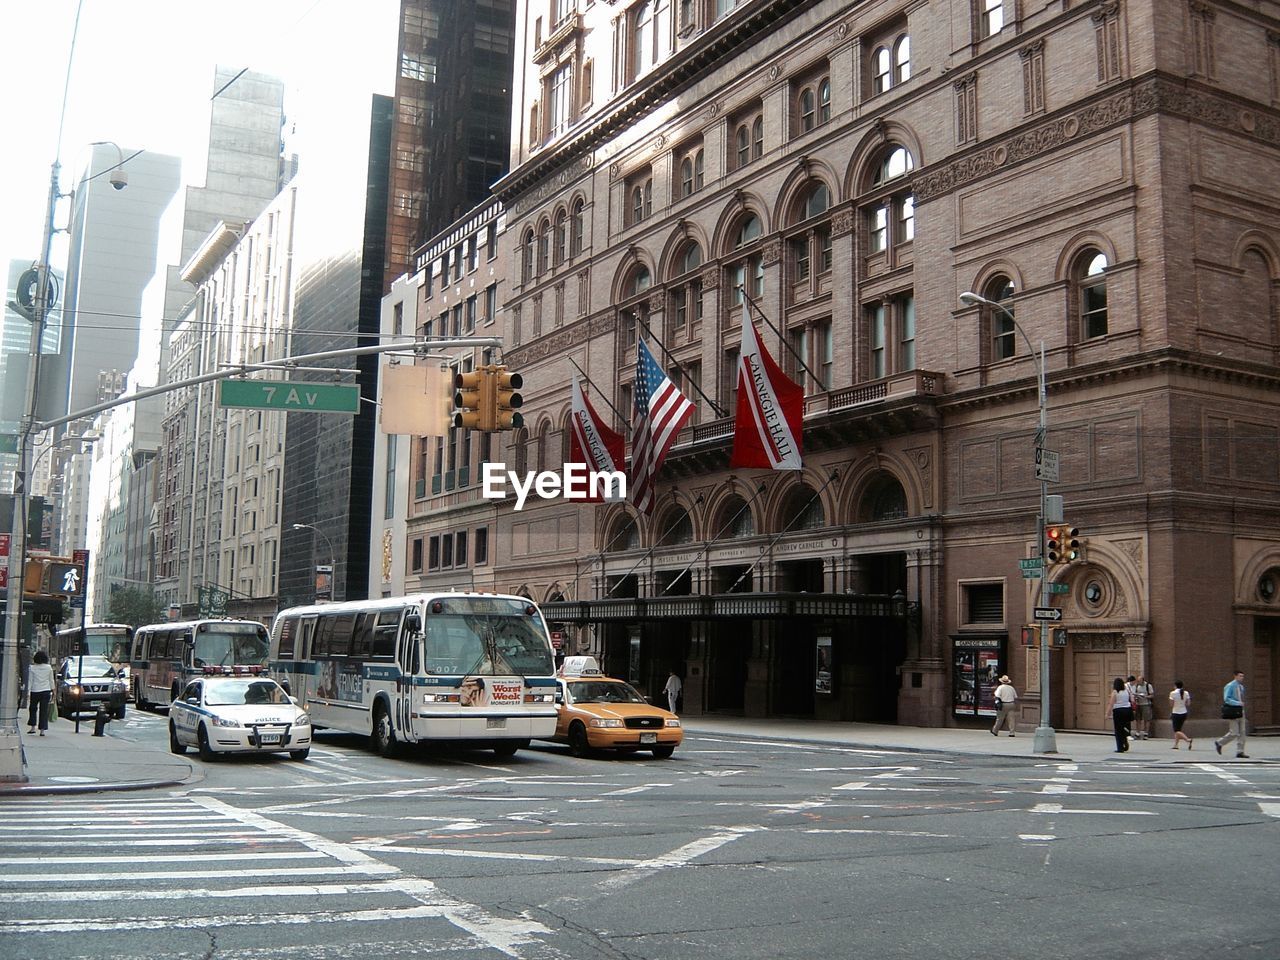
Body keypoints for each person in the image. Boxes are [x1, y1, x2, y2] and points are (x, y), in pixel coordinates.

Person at [1214, 670, 1248, 758]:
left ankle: (1240, 751)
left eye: (1242, 676)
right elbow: (1227, 699)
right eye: (1240, 676)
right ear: (1235, 676)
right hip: (1233, 710)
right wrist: (1237, 703)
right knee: (1234, 732)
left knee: (1242, 732)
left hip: (1241, 711)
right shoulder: (1230, 686)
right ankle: (1220, 742)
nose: (1242, 678)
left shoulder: (1241, 687)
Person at [26, 650, 55, 736]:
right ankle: (42, 730)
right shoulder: (49, 668)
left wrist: (28, 692)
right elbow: (51, 680)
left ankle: (32, 727)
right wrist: (53, 690)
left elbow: (30, 681)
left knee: (33, 709)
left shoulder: (32, 668)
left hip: (35, 690)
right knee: (44, 710)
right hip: (46, 690)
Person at [1105, 677, 1133, 752]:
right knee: (1124, 727)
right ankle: (1125, 739)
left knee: (1118, 730)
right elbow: (1132, 699)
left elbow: (1111, 704)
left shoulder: (1115, 692)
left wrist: (1107, 714)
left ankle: (1120, 747)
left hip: (1118, 711)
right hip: (1127, 710)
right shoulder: (1127, 690)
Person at [1169, 680, 1192, 750]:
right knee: (1179, 729)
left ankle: (1188, 740)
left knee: (1176, 730)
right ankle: (1176, 745)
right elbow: (1188, 703)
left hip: (1176, 712)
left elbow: (1171, 704)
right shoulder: (1186, 693)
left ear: (1175, 686)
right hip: (1184, 712)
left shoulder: (1172, 693)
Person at [1131, 674, 1154, 739]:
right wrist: (1136, 696)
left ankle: (1146, 733)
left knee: (1146, 719)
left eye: (1139, 681)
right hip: (1138, 704)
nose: (1138, 682)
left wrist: (1145, 696)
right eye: (1138, 681)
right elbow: (1135, 693)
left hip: (1146, 704)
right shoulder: (1137, 686)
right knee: (1138, 719)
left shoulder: (1148, 686)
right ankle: (1138, 733)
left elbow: (1152, 695)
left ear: (1143, 680)